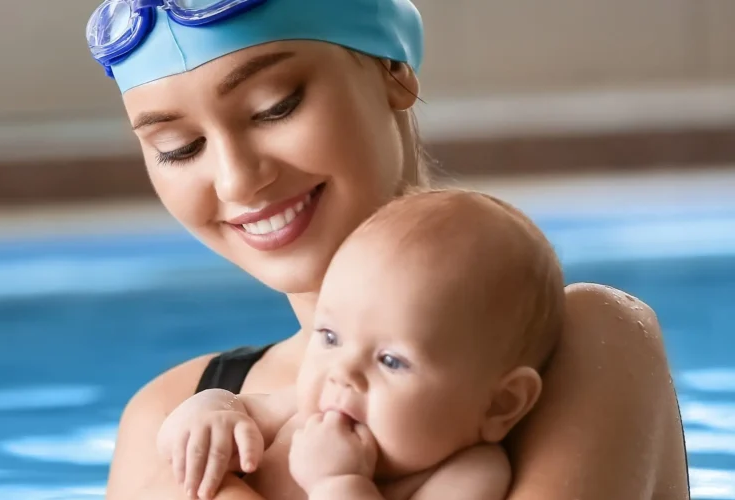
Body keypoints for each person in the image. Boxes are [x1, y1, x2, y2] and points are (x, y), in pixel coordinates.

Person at [83, 1, 689, 499]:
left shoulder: (584, 340)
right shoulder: (170, 412)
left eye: (277, 106)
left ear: (393, 69)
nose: (237, 180)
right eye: (179, 147)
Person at [156, 189, 566, 500]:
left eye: (391, 360)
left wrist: (338, 483)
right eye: (330, 337)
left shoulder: (468, 476)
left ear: (501, 404)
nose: (343, 373)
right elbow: (236, 408)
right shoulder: (308, 408)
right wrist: (211, 411)